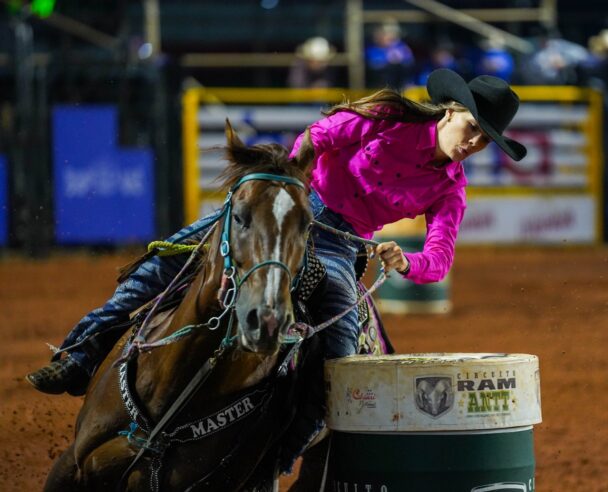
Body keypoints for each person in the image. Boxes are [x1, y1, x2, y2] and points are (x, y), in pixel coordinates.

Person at [26, 68, 527, 472]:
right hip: (293, 206)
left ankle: (281, 452)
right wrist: (291, 188)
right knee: (168, 260)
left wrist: (407, 260)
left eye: (486, 140)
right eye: (474, 129)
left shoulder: (451, 189)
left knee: (339, 356)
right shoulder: (385, 118)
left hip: (337, 246)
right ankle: (82, 351)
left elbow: (438, 260)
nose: (475, 143)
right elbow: (319, 135)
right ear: (452, 110)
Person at [365, 18, 415, 89]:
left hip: (400, 86)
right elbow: (372, 65)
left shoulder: (401, 47)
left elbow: (409, 64)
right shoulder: (371, 49)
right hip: (378, 86)